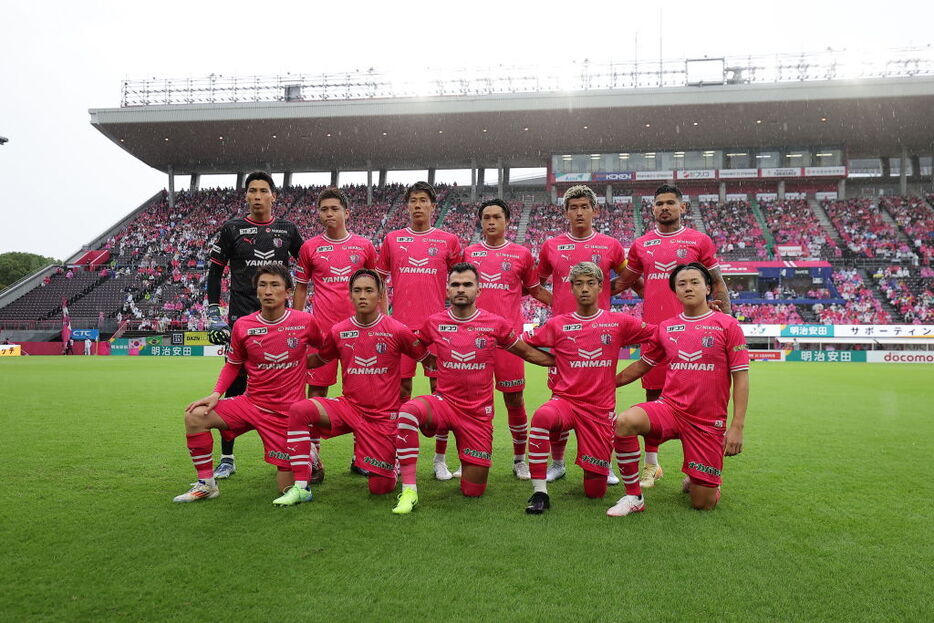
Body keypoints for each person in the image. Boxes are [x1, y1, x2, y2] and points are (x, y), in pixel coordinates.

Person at [391, 263, 554, 514]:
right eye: (455, 285)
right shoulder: (434, 322)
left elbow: (527, 353)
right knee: (408, 411)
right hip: (444, 404)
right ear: (447, 291)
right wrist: (426, 359)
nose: (461, 289)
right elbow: (413, 345)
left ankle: (468, 459)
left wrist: (564, 363)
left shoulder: (495, 324)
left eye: (467, 284)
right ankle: (409, 490)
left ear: (479, 290)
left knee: (472, 490)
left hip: (477, 415)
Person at [274, 269, 427, 505]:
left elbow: (425, 356)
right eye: (357, 291)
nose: (363, 296)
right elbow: (319, 359)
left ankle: (391, 458)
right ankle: (302, 485)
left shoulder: (397, 330)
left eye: (369, 290)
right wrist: (284, 359)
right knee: (299, 410)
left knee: (380, 488)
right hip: (349, 408)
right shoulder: (339, 331)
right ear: (350, 295)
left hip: (381, 418)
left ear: (380, 294)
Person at [607, 263, 749, 516]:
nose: (688, 287)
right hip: (670, 409)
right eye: (682, 284)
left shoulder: (728, 325)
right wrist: (608, 383)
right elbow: (643, 364)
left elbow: (740, 377)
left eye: (695, 282)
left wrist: (736, 425)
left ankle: (702, 479)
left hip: (707, 420)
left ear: (708, 288)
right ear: (675, 291)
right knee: (625, 421)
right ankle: (633, 497)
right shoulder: (666, 327)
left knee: (702, 503)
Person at [613, 184, 730, 488]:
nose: (664, 208)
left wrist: (724, 319)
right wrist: (584, 294)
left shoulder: (699, 240)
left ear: (682, 208)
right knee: (654, 397)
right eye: (659, 204)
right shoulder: (641, 245)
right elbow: (626, 281)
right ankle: (652, 465)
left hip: (696, 331)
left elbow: (716, 283)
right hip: (657, 332)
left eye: (670, 203)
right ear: (652, 209)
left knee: (702, 398)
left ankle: (698, 466)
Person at [173, 264, 322, 503]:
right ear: (257, 291)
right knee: (195, 416)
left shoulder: (305, 322)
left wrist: (305, 364)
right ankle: (207, 485)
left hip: (286, 415)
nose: (268, 291)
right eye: (263, 285)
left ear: (287, 292)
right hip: (251, 404)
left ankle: (309, 456)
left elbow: (324, 350)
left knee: (285, 489)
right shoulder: (243, 325)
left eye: (275, 285)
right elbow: (233, 364)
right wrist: (216, 394)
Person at [522, 262, 656, 514]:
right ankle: (540, 492)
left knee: (595, 492)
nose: (585, 289)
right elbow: (524, 345)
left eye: (590, 283)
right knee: (542, 416)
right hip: (566, 402)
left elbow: (660, 335)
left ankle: (599, 469)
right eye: (579, 283)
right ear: (570, 288)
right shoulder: (558, 324)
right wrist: (554, 360)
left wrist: (643, 366)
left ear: (600, 287)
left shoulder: (618, 322)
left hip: (599, 410)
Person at [206, 171, 304, 480]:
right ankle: (227, 457)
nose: (258, 195)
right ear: (246, 196)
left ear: (274, 196)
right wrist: (212, 311)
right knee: (235, 386)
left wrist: (301, 310)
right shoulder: (232, 229)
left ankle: (292, 451)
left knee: (283, 385)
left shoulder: (288, 230)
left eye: (263, 190)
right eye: (253, 190)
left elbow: (308, 266)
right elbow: (214, 272)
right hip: (240, 318)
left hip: (280, 321)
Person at [536, 184, 628, 484]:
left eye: (584, 207)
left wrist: (605, 297)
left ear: (595, 210)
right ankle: (558, 462)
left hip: (600, 338)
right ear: (565, 212)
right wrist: (559, 302)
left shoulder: (611, 245)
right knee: (558, 402)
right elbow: (536, 283)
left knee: (603, 405)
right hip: (563, 338)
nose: (579, 212)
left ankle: (604, 461)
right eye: (573, 207)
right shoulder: (551, 246)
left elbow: (625, 277)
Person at [376, 181, 463, 480]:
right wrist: (386, 317)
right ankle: (400, 457)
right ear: (407, 205)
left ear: (432, 206)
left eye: (423, 200)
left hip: (438, 330)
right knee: (400, 392)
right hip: (400, 330)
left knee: (441, 393)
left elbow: (460, 280)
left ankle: (440, 459)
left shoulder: (448, 241)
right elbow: (379, 280)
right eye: (412, 200)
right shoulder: (392, 239)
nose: (417, 205)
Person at [462, 199, 552, 480]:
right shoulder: (468, 253)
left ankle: (518, 459)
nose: (491, 221)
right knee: (471, 402)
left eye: (496, 217)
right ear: (480, 221)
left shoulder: (521, 254)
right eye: (486, 217)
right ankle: (471, 457)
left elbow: (535, 290)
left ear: (507, 221)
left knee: (514, 399)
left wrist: (567, 309)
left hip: (508, 342)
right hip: (473, 340)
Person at [292, 187, 378, 476]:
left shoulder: (364, 246)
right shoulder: (309, 247)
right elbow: (302, 288)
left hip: (360, 332)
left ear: (346, 212)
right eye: (324, 209)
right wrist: (296, 321)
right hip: (322, 333)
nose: (329, 214)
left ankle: (362, 458)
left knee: (363, 395)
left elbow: (378, 286)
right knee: (316, 393)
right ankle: (313, 458)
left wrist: (383, 319)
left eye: (334, 209)